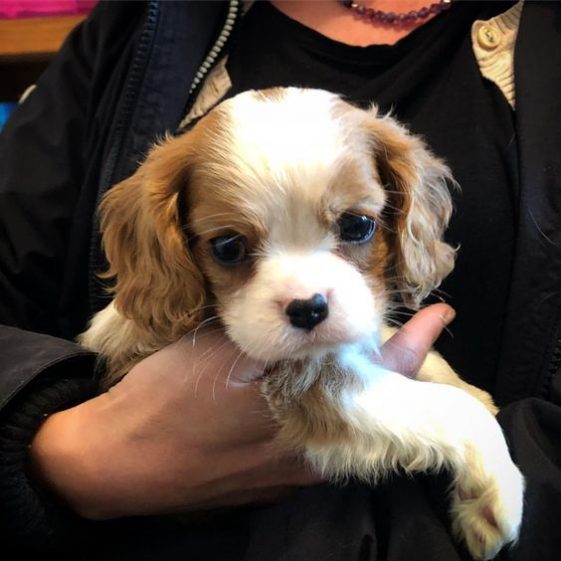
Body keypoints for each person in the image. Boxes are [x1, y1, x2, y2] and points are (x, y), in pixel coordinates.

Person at [0, 1, 560, 559]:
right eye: (231, 248)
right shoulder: (133, 26)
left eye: (355, 226)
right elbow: (317, 397)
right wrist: (62, 457)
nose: (306, 296)